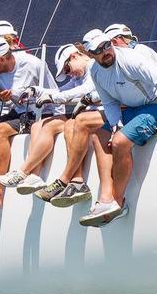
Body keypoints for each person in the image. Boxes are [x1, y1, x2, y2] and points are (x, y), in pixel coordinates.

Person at [84, 29, 157, 226]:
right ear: (90, 55)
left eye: (107, 45)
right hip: (138, 107)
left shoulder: (130, 60)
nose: (106, 51)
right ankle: (105, 199)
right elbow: (109, 102)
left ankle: (118, 203)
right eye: (99, 50)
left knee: (120, 142)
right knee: (99, 135)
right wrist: (115, 126)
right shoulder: (94, 71)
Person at [0, 36, 62, 219]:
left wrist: (55, 121)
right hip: (18, 113)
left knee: (1, 130)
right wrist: (0, 96)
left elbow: (55, 93)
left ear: (3, 58)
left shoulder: (34, 64)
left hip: (40, 113)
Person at [31, 43, 111, 207]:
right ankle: (77, 181)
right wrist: (35, 91)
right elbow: (60, 91)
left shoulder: (93, 66)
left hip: (111, 111)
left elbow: (88, 89)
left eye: (67, 69)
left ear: (74, 56)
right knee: (70, 125)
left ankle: (63, 179)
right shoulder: (78, 76)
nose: (69, 74)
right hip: (95, 114)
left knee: (78, 121)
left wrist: (55, 99)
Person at [105, 23, 157, 124]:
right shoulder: (126, 60)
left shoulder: (139, 52)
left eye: (107, 46)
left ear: (115, 41)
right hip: (150, 105)